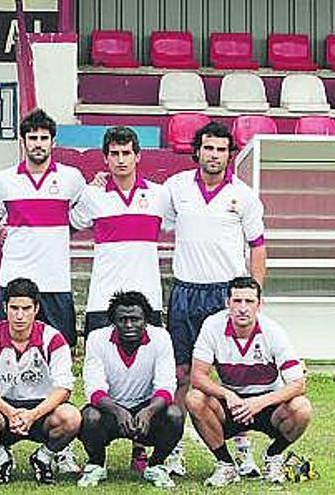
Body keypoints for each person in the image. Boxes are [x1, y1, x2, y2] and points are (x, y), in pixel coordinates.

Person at [0, 108, 85, 473]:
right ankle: (5, 425)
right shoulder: (4, 181)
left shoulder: (72, 179)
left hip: (55, 285)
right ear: (23, 142)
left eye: (43, 137)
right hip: (14, 284)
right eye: (31, 137)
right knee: (6, 358)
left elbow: (82, 220)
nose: (37, 143)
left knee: (58, 361)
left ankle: (57, 447)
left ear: (53, 141)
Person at [162, 121, 267, 476]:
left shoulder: (245, 196)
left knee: (234, 378)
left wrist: (253, 296)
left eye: (221, 149)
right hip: (185, 293)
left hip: (226, 294)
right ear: (197, 151)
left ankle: (244, 451)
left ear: (229, 155)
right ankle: (173, 450)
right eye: (208, 148)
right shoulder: (175, 188)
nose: (214, 155)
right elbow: (150, 216)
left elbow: (258, 248)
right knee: (181, 375)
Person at [186, 277, 312, 487]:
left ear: (259, 305)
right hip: (231, 406)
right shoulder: (212, 326)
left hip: (268, 406)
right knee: (195, 398)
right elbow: (197, 376)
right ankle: (225, 465)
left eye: (249, 301)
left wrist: (259, 403)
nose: (242, 308)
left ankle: (273, 456)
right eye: (237, 301)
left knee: (302, 408)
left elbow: (298, 384)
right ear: (228, 303)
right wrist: (227, 395)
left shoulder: (274, 331)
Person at [0, 278, 81, 485]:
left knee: (71, 417)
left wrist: (33, 414)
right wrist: (10, 412)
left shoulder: (53, 338)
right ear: (5, 307)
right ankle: (1, 458)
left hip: (41, 412)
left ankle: (43, 458)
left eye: (26, 308)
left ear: (36, 308)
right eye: (14, 308)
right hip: (2, 410)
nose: (19, 315)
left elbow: (64, 388)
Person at [77, 291, 183, 488]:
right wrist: (117, 411)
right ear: (112, 321)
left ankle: (156, 465)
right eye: (122, 320)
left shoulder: (161, 338)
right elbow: (94, 389)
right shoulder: (97, 338)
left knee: (174, 415)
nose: (128, 325)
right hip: (110, 410)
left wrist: (149, 411)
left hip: (146, 409)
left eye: (135, 319)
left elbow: (166, 386)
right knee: (89, 417)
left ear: (146, 320)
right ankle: (96, 465)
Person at [70, 126, 168, 333]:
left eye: (126, 153)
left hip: (148, 299)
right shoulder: (91, 195)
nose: (121, 160)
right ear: (106, 158)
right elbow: (64, 228)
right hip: (102, 300)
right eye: (114, 154)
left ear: (138, 156)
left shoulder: (160, 195)